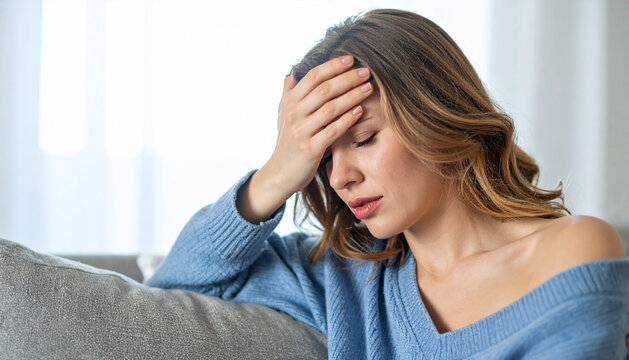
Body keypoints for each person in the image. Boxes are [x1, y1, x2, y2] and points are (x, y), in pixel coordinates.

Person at [146, 8, 629, 359]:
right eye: (321, 161)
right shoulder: (340, 279)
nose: (339, 178)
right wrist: (277, 173)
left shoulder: (571, 251)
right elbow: (171, 290)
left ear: (438, 111)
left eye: (364, 138)